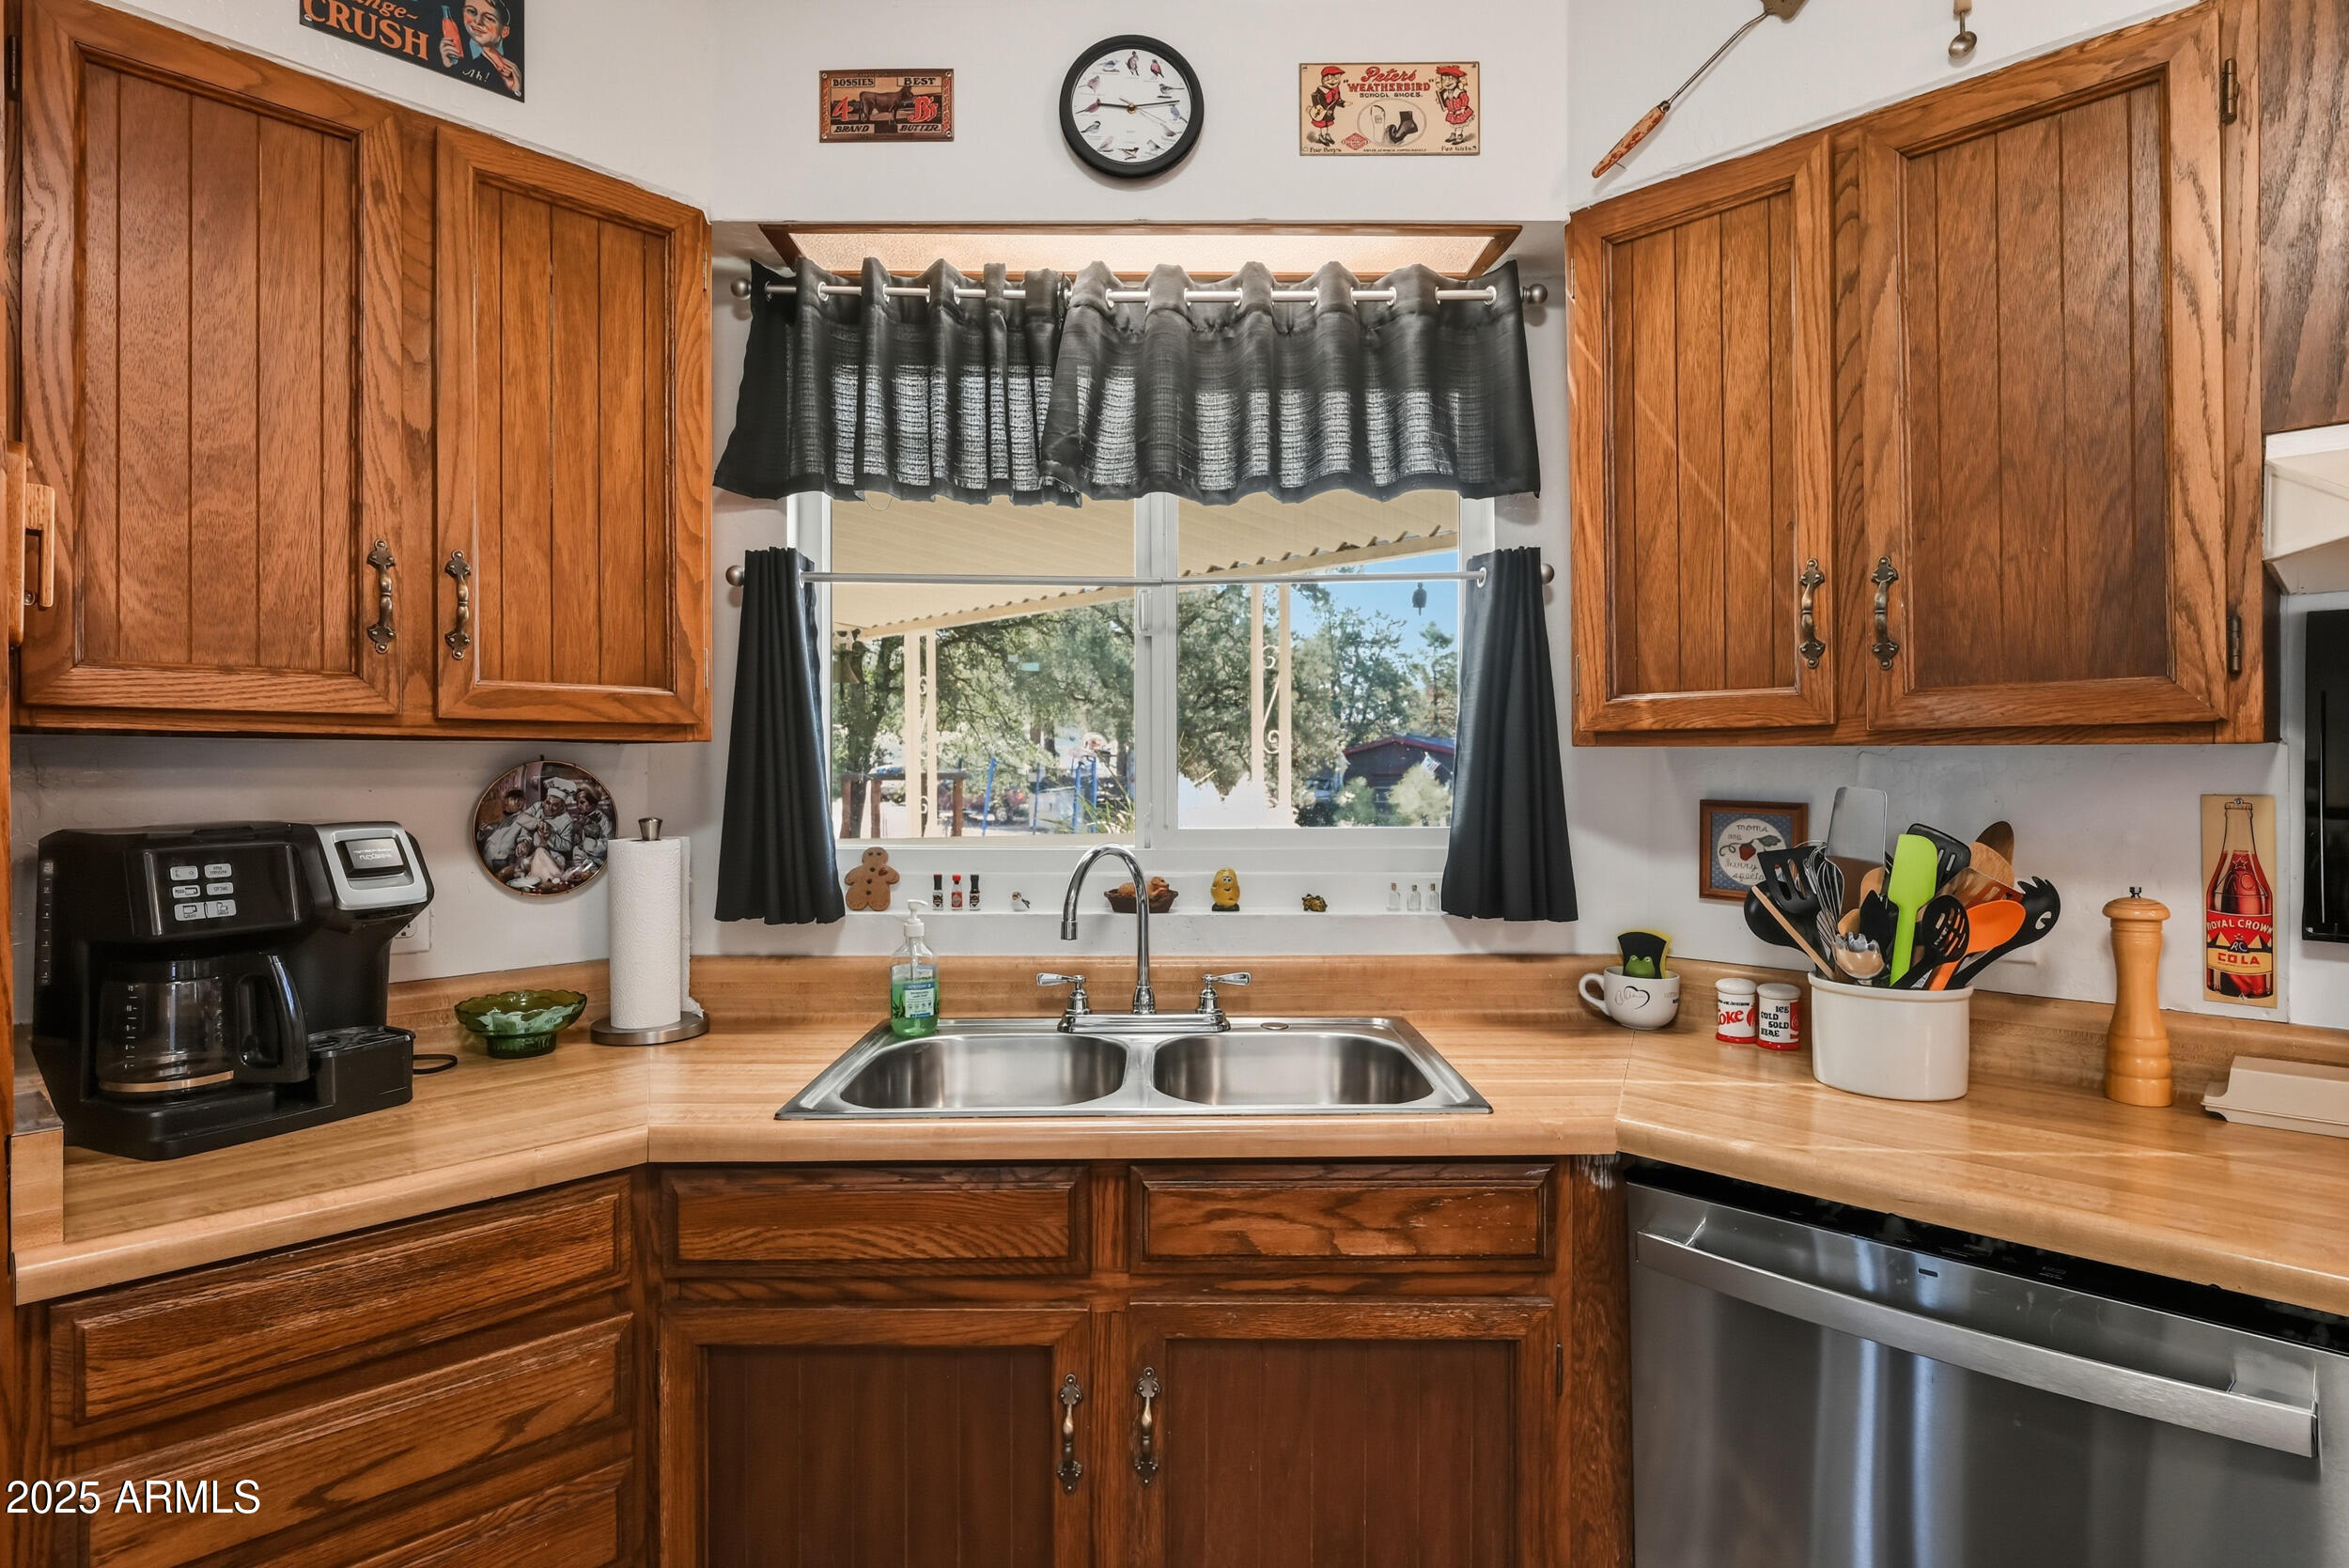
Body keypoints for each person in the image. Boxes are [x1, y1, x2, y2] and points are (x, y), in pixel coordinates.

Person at [441, 0, 521, 99]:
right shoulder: (457, 48)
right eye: (471, 11)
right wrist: (448, 65)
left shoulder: (512, 61)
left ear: (504, 31)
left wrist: (515, 89)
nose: (478, 22)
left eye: (489, 18)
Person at [1307, 66, 1345, 147]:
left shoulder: (1336, 90)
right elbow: (1314, 96)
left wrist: (1343, 103)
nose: (1333, 81)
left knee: (1327, 124)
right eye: (1329, 79)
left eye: (1336, 78)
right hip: (1320, 112)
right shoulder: (1320, 90)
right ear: (1323, 80)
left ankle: (1327, 136)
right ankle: (1321, 136)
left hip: (1330, 111)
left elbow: (1337, 100)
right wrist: (1317, 106)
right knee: (1321, 124)